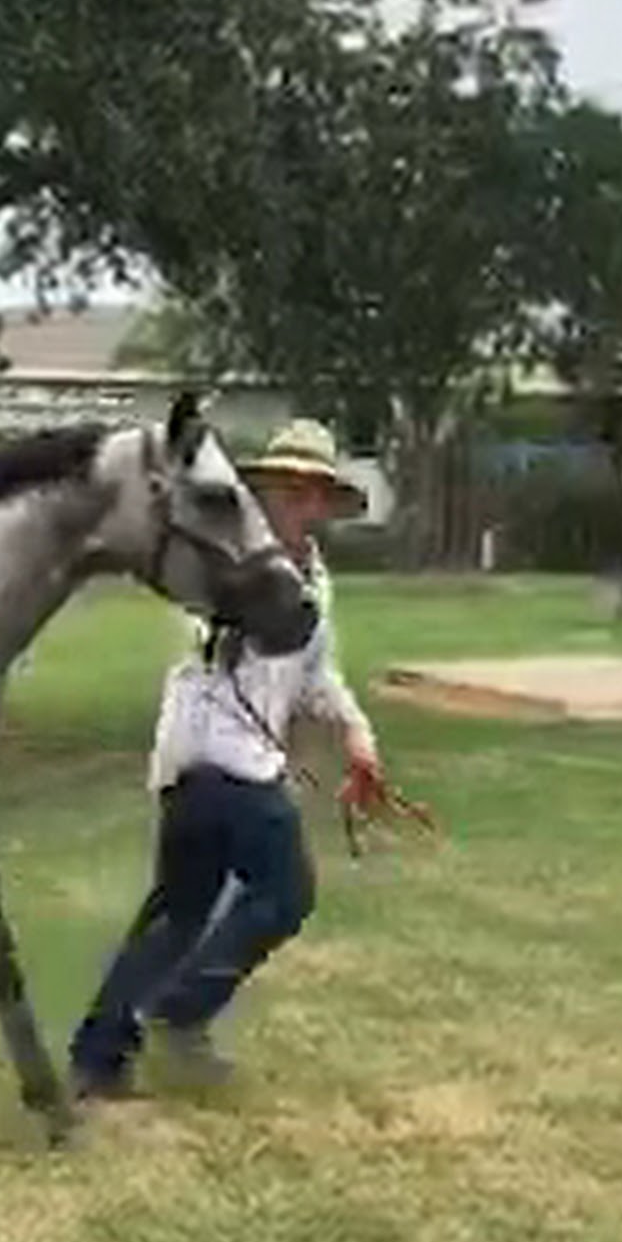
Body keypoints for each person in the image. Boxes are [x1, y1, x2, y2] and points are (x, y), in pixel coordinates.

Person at [68, 417, 385, 1100]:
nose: (302, 503)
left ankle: (98, 1058)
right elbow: (201, 620)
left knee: (178, 912)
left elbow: (317, 676)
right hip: (210, 755)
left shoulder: (316, 583)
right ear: (264, 493)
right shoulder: (230, 560)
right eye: (289, 488)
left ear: (328, 502)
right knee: (287, 891)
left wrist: (358, 736)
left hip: (233, 762)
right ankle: (177, 1017)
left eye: (315, 492)